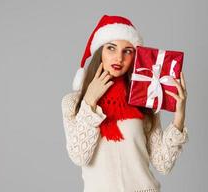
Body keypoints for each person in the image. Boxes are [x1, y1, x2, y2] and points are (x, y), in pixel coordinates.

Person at [61, 14, 189, 192]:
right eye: (111, 48)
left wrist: (179, 116)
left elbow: (163, 164)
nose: (119, 58)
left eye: (127, 51)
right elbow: (79, 156)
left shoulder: (144, 100)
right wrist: (90, 101)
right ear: (100, 52)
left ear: (135, 57)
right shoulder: (73, 103)